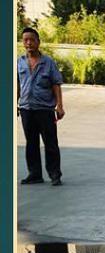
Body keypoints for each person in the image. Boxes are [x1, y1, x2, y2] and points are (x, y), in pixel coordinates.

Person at [17, 27, 65, 186]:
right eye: (25, 40)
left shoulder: (48, 62)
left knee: (50, 143)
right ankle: (35, 174)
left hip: (45, 109)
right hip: (26, 109)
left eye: (32, 40)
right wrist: (14, 104)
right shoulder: (19, 62)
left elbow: (56, 84)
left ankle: (55, 174)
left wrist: (59, 106)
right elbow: (17, 84)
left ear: (38, 42)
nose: (28, 43)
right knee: (31, 143)